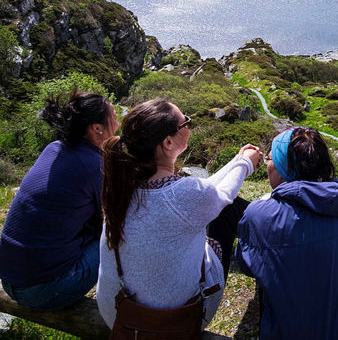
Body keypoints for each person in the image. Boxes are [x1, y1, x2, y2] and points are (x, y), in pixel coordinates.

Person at [95, 98, 263, 330]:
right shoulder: (184, 195)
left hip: (118, 315)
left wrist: (237, 160)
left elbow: (205, 193)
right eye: (186, 123)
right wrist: (246, 163)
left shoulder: (121, 186)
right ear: (168, 142)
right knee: (224, 216)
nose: (189, 126)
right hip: (175, 321)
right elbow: (221, 195)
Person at [236, 127, 338, 339]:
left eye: (270, 159)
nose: (268, 165)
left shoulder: (258, 215)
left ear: (284, 168)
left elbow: (246, 263)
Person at [0, 91, 118, 310]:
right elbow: (113, 221)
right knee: (118, 238)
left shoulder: (53, 148)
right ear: (97, 128)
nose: (118, 122)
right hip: (43, 290)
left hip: (8, 278)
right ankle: (125, 308)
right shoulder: (95, 165)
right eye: (114, 116)